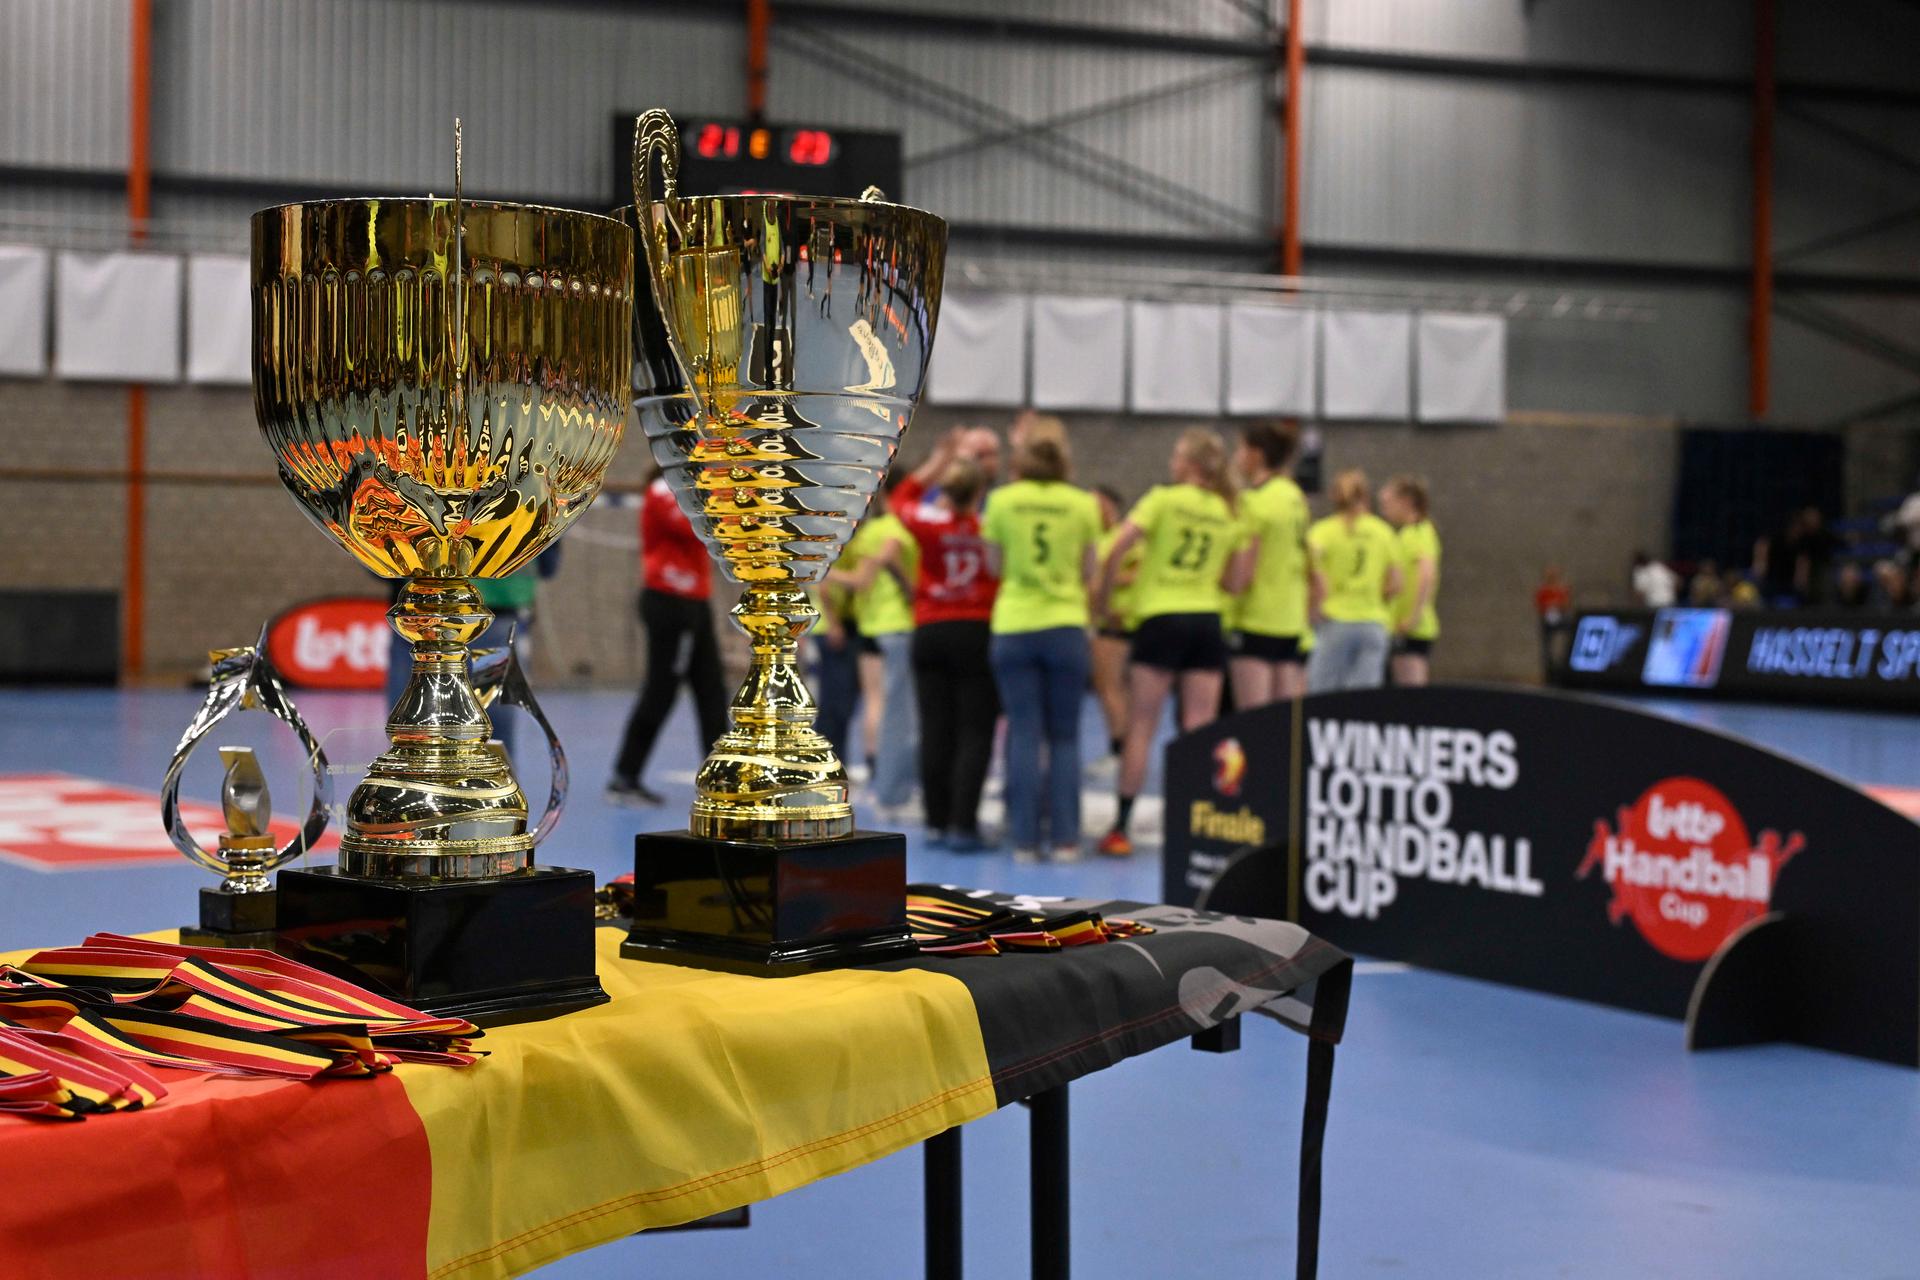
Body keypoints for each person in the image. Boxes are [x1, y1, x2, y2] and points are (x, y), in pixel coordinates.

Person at [1093, 427, 1245, 858]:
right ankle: (1197, 825)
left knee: (1142, 724)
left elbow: (1118, 547)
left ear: (1190, 464)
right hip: (1207, 620)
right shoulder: (1226, 511)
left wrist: (1104, 598)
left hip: (1161, 617)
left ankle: (1121, 828)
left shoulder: (1162, 499)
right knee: (1200, 728)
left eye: (1177, 455)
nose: (1171, 462)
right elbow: (1234, 580)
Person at [982, 434, 1103, 863]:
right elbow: (1090, 569)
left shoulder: (1001, 501)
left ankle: (1024, 840)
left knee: (1023, 732)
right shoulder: (1083, 504)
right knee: (1065, 736)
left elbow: (994, 565)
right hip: (1066, 625)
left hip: (1015, 625)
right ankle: (1067, 840)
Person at [896, 433, 1000, 850]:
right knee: (975, 731)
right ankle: (963, 824)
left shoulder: (928, 523)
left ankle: (936, 822)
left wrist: (938, 460)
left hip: (931, 630)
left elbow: (900, 495)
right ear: (980, 493)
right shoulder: (989, 529)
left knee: (935, 728)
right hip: (976, 629)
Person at [608, 466, 728, 806]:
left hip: (696, 602)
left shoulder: (696, 487)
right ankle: (625, 776)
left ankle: (720, 777)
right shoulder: (663, 489)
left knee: (712, 690)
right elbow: (695, 527)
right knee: (661, 690)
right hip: (670, 602)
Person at [826, 475, 920, 817]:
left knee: (875, 701)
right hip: (894, 624)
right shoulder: (893, 531)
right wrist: (825, 574)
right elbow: (865, 580)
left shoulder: (870, 533)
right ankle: (886, 777)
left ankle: (879, 773)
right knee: (892, 707)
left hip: (870, 624)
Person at [1229, 422, 1311, 708]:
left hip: (1256, 619)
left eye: (1240, 449)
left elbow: (1243, 575)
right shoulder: (1295, 498)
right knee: (1282, 720)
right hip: (1290, 620)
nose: (1236, 457)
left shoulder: (1253, 502)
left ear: (1256, 455)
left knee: (1254, 719)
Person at [1305, 469, 1401, 693]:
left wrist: (1314, 608)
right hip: (1373, 623)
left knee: (1322, 695)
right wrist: (1374, 600)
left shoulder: (1322, 532)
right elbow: (1396, 584)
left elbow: (1313, 576)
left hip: (1335, 620)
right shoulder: (1383, 532)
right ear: (1365, 496)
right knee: (1363, 700)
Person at [1090, 485, 1139, 771]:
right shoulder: (1099, 538)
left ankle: (1119, 751)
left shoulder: (1126, 537)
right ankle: (1122, 746)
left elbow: (1139, 572)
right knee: (1112, 687)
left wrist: (1108, 580)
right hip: (1104, 620)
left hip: (1116, 620)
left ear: (1108, 505)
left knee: (1111, 686)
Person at [1380, 475, 1440, 687]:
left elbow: (1427, 574)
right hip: (1400, 625)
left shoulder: (1419, 531)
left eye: (1388, 503)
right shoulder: (1406, 534)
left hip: (1414, 628)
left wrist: (1414, 617)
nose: (1384, 510)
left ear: (1405, 501)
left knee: (1412, 692)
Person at [1533, 565, 1573, 677]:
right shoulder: (1543, 591)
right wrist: (1550, 605)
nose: (1551, 577)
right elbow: (1540, 606)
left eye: (1553, 575)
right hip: (1547, 620)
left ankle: (1565, 664)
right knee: (1547, 647)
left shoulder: (1562, 590)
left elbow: (1566, 604)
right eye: (1549, 575)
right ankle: (1549, 670)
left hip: (1560, 618)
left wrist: (1558, 604)